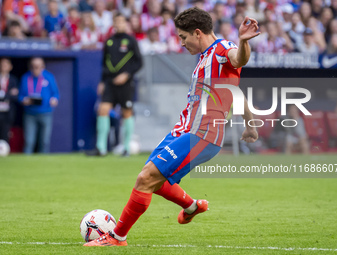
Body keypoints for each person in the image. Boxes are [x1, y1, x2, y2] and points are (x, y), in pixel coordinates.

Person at [84, 7, 259, 247]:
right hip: (185, 130)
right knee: (152, 177)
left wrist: (243, 40)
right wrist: (250, 125)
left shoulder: (222, 50)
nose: (181, 43)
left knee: (146, 178)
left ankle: (117, 237)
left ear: (197, 33)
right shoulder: (205, 58)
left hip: (203, 134)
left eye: (183, 37)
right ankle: (192, 206)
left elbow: (239, 58)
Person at [86, 13, 142, 157]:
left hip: (126, 84)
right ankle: (101, 148)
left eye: (121, 22)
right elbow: (105, 63)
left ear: (126, 23)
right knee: (102, 110)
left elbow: (139, 62)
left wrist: (126, 74)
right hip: (110, 83)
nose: (119, 24)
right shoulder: (109, 41)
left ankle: (126, 149)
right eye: (116, 22)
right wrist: (102, 81)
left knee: (126, 113)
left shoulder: (131, 41)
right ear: (113, 23)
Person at [18, 57, 59, 154]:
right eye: (33, 66)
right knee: (29, 141)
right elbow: (20, 96)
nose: (35, 69)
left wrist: (54, 100)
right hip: (30, 114)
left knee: (44, 141)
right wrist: (24, 100)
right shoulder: (25, 77)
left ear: (43, 66)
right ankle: (26, 164)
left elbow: (56, 93)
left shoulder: (49, 77)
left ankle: (44, 165)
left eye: (38, 66)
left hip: (46, 113)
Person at [0, 58, 19, 143]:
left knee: (5, 135)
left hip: (7, 113)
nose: (3, 66)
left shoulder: (13, 80)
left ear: (10, 67)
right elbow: (12, 94)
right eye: (2, 64)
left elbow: (16, 96)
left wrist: (3, 95)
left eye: (6, 64)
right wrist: (9, 94)